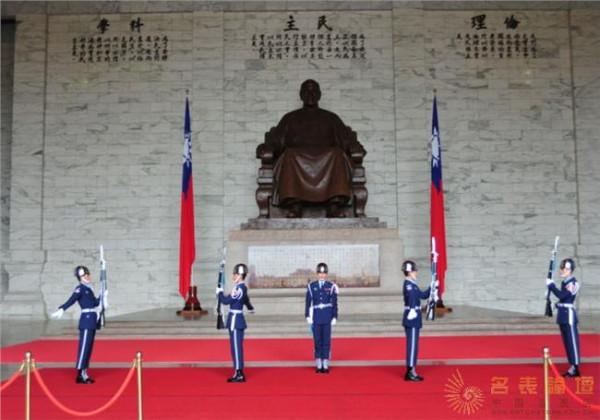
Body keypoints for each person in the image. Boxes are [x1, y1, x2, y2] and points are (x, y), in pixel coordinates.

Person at [257, 79, 365, 218]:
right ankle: (295, 205)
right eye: (306, 91)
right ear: (301, 95)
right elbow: (277, 140)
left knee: (337, 153)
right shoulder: (290, 118)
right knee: (289, 154)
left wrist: (355, 147)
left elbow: (346, 140)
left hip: (328, 159)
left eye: (314, 91)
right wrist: (266, 147)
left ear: (319, 95)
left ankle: (334, 205)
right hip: (296, 159)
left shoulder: (331, 118)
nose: (310, 94)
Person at [51, 266, 107, 384]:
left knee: (88, 349)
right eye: (83, 275)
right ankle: (80, 374)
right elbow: (72, 299)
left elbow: (94, 303)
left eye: (87, 274)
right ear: (79, 278)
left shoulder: (89, 289)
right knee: (84, 349)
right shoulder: (80, 289)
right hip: (86, 321)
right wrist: (62, 309)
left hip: (91, 321)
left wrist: (102, 295)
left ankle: (84, 373)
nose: (87, 276)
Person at [217, 263, 252, 383]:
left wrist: (219, 293)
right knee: (235, 347)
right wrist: (250, 307)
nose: (233, 276)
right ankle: (237, 371)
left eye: (235, 274)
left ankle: (239, 373)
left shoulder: (239, 288)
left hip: (236, 320)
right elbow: (246, 300)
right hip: (235, 319)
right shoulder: (241, 287)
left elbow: (227, 301)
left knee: (236, 348)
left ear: (240, 276)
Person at [401, 260, 436, 382]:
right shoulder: (408, 285)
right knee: (412, 345)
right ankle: (410, 371)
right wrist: (411, 310)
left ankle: (412, 369)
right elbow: (411, 299)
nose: (416, 272)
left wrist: (431, 287)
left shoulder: (413, 284)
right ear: (409, 272)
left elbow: (422, 295)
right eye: (414, 270)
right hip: (412, 317)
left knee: (414, 345)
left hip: (414, 316)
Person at [546, 258, 581, 377]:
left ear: (571, 270)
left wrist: (551, 286)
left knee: (572, 342)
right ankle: (572, 366)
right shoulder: (565, 282)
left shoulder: (572, 283)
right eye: (562, 268)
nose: (563, 270)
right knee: (567, 342)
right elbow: (561, 298)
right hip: (562, 315)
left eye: (566, 269)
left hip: (569, 315)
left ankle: (575, 367)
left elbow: (563, 295)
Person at [305, 262, 338, 373]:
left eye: (324, 273)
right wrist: (307, 315)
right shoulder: (311, 286)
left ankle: (325, 362)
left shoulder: (331, 286)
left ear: (326, 274)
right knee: (317, 340)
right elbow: (308, 302)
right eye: (320, 273)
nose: (322, 275)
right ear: (317, 273)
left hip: (327, 316)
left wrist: (334, 316)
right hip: (316, 316)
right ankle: (318, 362)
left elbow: (334, 303)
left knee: (326, 340)